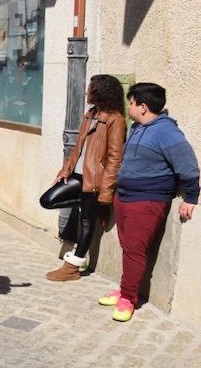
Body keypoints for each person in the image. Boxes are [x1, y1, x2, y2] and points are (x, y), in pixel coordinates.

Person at [101, 83, 199, 322]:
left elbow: (188, 167)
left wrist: (191, 197)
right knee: (128, 247)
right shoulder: (137, 128)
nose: (129, 107)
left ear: (143, 107)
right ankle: (125, 289)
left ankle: (128, 299)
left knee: (135, 249)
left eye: (131, 103)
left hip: (147, 201)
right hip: (124, 196)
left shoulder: (167, 132)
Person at [45, 75, 126, 281]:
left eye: (91, 88)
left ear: (100, 91)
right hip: (78, 176)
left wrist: (106, 194)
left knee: (87, 222)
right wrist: (66, 169)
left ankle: (73, 268)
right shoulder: (90, 114)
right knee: (48, 199)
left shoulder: (116, 120)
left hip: (96, 181)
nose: (87, 91)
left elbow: (115, 159)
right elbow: (77, 147)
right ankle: (86, 203)